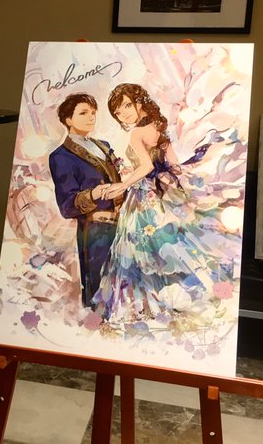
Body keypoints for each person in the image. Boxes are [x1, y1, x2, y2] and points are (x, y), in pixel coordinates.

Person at [92, 83, 223, 323]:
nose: (123, 115)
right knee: (163, 246)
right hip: (158, 196)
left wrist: (122, 185)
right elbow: (173, 164)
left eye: (126, 106)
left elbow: (146, 166)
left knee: (137, 249)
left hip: (142, 199)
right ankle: (176, 298)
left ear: (139, 102)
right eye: (118, 113)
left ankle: (143, 305)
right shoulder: (158, 126)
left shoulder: (136, 133)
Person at [48, 93, 123, 308]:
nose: (91, 117)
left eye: (93, 113)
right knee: (98, 283)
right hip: (95, 229)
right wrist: (94, 194)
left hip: (123, 223)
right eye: (83, 113)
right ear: (68, 120)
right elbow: (67, 206)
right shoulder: (61, 156)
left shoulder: (104, 146)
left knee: (123, 281)